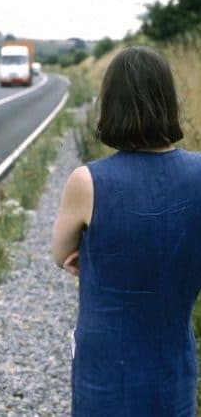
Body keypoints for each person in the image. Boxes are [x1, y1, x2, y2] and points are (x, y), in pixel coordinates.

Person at [52, 46, 200, 416]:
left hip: (104, 372)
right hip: (173, 367)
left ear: (111, 105)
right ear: (168, 102)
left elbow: (61, 255)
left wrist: (95, 258)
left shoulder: (87, 181)